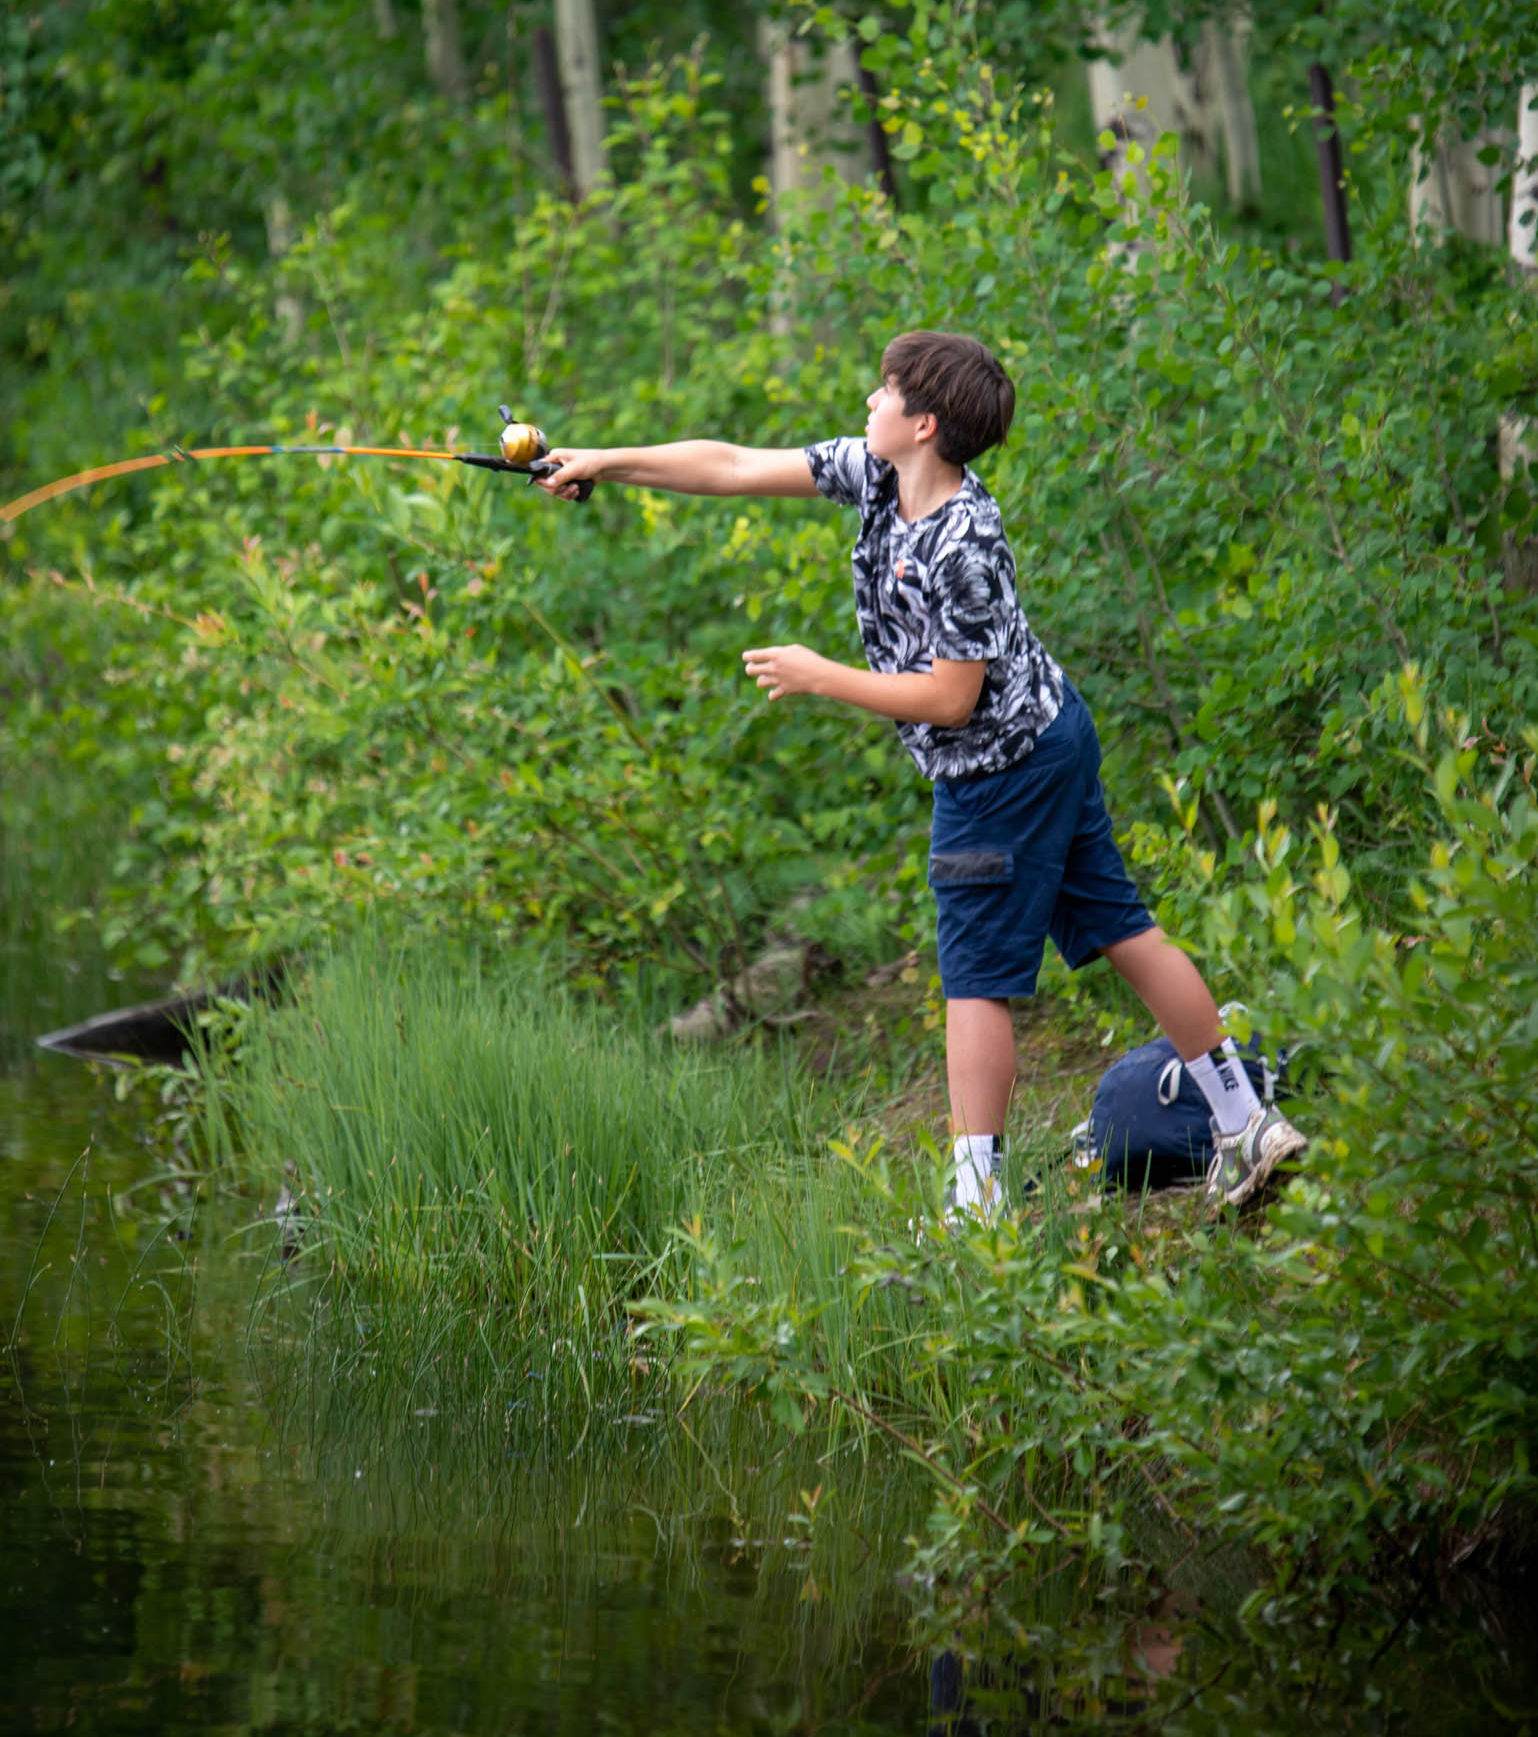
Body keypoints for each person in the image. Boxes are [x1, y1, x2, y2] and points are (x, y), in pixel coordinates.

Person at [538, 329, 1305, 1221]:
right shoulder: (877, 474)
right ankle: (1243, 1123)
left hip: (1003, 768)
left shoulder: (963, 543)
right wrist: (603, 461)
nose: (869, 400)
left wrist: (818, 675)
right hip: (1047, 734)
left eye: (885, 390)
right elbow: (734, 465)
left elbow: (948, 698)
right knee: (1120, 927)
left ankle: (976, 1208)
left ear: (924, 424)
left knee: (973, 977)